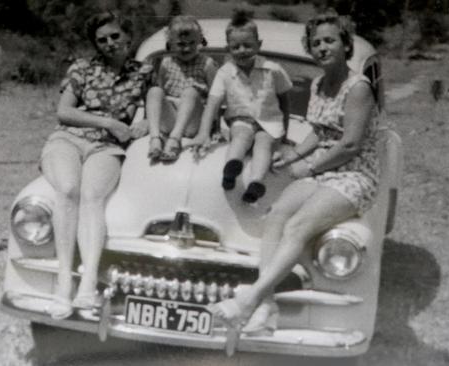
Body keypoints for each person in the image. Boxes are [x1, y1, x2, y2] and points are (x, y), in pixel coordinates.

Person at [208, 10, 380, 334]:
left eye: (330, 40)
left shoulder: (358, 88)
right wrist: (291, 157)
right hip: (322, 172)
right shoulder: (318, 84)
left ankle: (249, 300)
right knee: (275, 215)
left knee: (298, 226)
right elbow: (319, 131)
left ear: (345, 45)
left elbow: (350, 145)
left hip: (355, 175)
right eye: (315, 43)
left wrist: (307, 166)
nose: (322, 48)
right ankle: (268, 308)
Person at [41, 11, 152, 319]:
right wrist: (108, 121)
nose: (109, 43)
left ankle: (88, 283)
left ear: (129, 38)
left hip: (107, 147)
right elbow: (64, 111)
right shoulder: (83, 68)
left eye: (115, 36)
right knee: (68, 188)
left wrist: (146, 123)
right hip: (68, 139)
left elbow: (161, 101)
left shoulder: (144, 72)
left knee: (93, 198)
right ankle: (64, 282)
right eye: (102, 40)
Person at [192, 10, 291, 203]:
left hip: (269, 123)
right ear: (228, 49)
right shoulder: (225, 72)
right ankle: (231, 167)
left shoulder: (273, 69)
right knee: (241, 135)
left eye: (247, 45)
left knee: (264, 144)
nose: (242, 50)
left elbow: (285, 101)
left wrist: (285, 135)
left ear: (259, 45)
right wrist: (203, 133)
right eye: (235, 47)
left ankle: (256, 183)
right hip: (241, 120)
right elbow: (212, 104)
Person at [145, 15, 217, 162]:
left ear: (199, 41)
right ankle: (155, 139)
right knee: (154, 90)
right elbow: (161, 93)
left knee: (190, 91)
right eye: (181, 44)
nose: (187, 48)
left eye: (192, 43)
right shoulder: (166, 63)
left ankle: (174, 141)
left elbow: (216, 98)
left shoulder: (207, 64)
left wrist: (216, 128)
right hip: (171, 119)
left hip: (194, 121)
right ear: (170, 43)